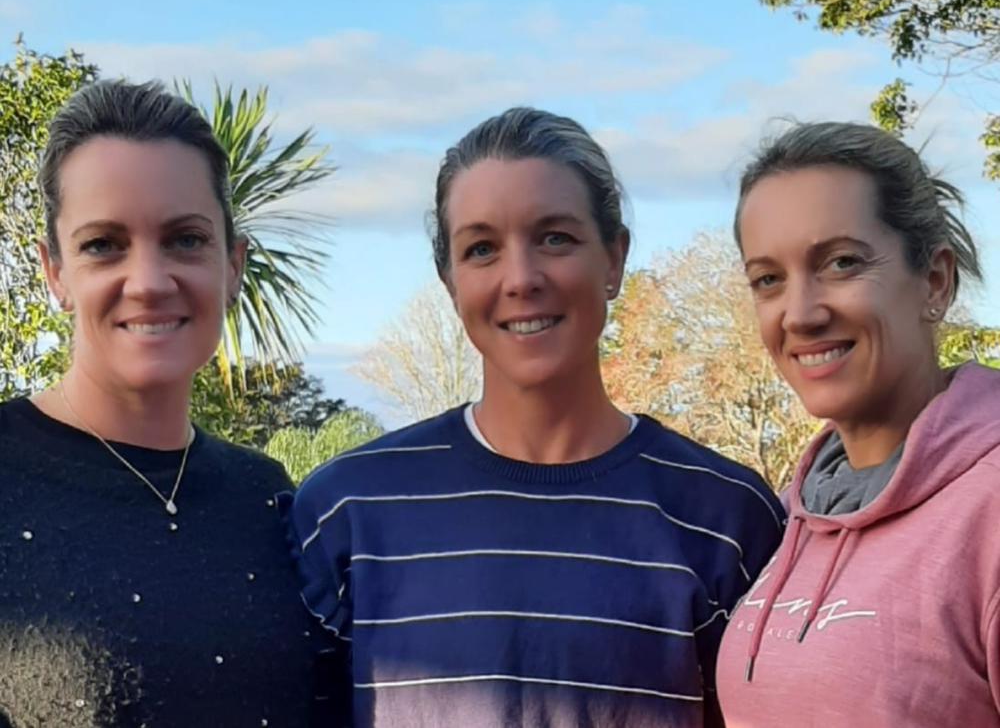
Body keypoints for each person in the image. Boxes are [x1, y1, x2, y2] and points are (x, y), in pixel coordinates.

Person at [284, 107, 784, 728]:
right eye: (482, 249)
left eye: (555, 238)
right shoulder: (347, 510)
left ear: (614, 259)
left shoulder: (727, 515)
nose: (520, 278)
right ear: (450, 281)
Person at [0, 80, 322, 726]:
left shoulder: (268, 497)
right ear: (55, 272)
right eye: (103, 244)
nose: (148, 281)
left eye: (185, 239)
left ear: (233, 265)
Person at [716, 121, 1000, 726]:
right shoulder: (790, 517)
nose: (800, 314)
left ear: (935, 280)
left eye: (842, 263)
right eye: (769, 280)